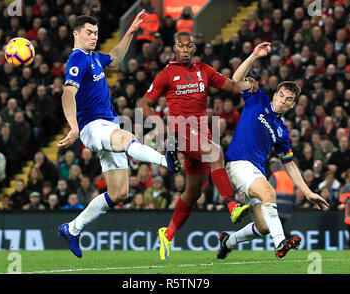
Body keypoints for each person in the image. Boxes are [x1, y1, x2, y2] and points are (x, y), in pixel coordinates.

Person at [57, 13, 181, 259]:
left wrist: (130, 32)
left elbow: (114, 58)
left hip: (106, 124)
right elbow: (67, 95)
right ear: (76, 34)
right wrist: (73, 127)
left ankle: (72, 229)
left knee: (120, 193)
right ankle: (165, 161)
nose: (93, 37)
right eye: (88, 33)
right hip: (92, 127)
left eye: (95, 33)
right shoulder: (77, 59)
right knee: (125, 138)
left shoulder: (92, 57)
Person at [140, 31, 257, 260]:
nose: (185, 49)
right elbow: (144, 103)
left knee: (193, 192)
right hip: (180, 131)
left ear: (194, 48)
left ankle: (168, 233)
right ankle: (232, 205)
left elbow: (233, 87)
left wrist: (248, 82)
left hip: (201, 133)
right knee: (215, 153)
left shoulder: (204, 70)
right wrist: (158, 125)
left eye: (189, 46)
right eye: (180, 46)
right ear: (174, 48)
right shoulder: (166, 74)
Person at [217, 42, 330, 260]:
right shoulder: (257, 99)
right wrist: (253, 56)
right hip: (238, 163)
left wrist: (308, 192)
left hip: (256, 172)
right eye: (281, 95)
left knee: (263, 226)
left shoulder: (282, 131)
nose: (283, 101)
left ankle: (228, 240)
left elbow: (290, 164)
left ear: (292, 104)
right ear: (275, 94)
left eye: (289, 100)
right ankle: (281, 242)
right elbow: (235, 80)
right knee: (270, 193)